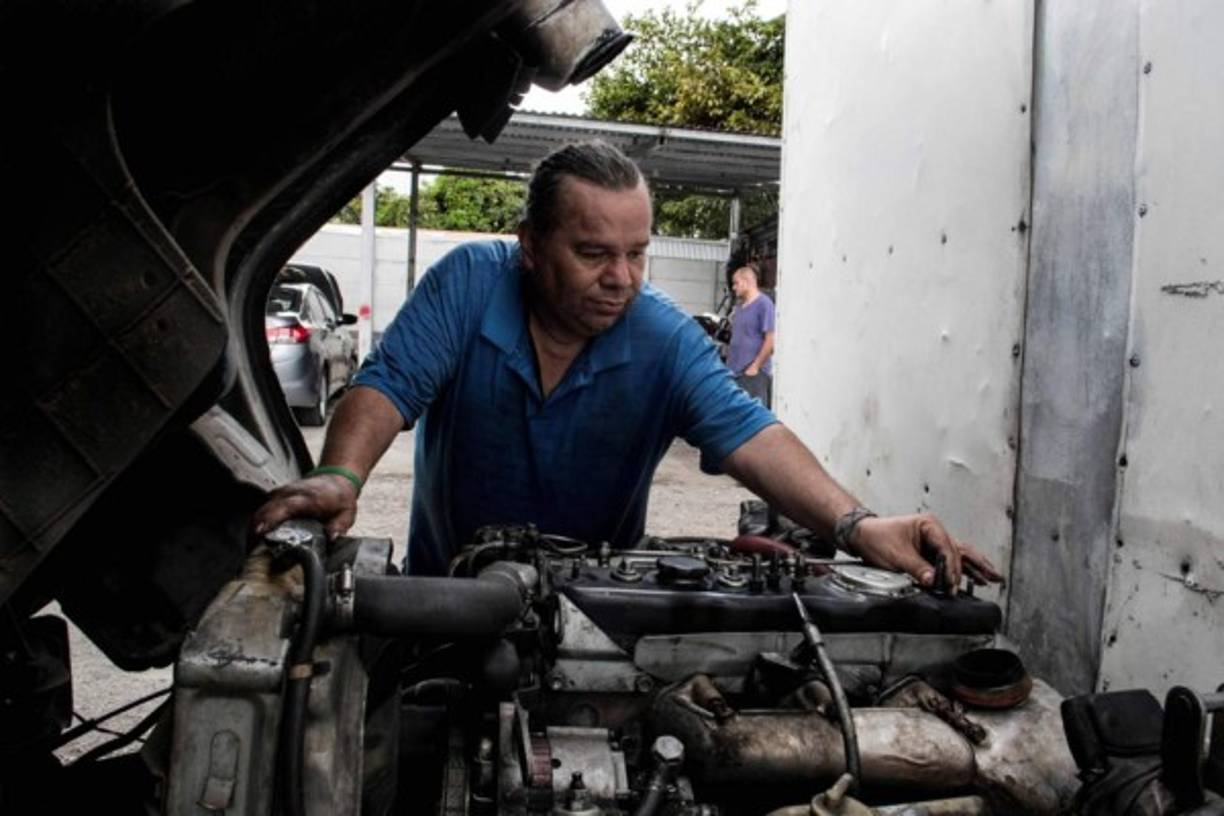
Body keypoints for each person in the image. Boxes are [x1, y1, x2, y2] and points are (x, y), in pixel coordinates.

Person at [253, 140, 1002, 588]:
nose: (623, 277)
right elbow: (387, 386)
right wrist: (342, 475)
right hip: (444, 599)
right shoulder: (468, 284)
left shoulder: (663, 336)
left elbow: (750, 433)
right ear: (531, 246)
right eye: (593, 253)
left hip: (587, 618)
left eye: (637, 252)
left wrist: (861, 527)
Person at [727, 264, 775, 407]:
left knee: (754, 422)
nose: (734, 287)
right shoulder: (739, 308)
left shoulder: (764, 304)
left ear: (747, 281)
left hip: (754, 376)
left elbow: (771, 339)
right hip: (735, 375)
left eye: (736, 283)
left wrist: (755, 366)